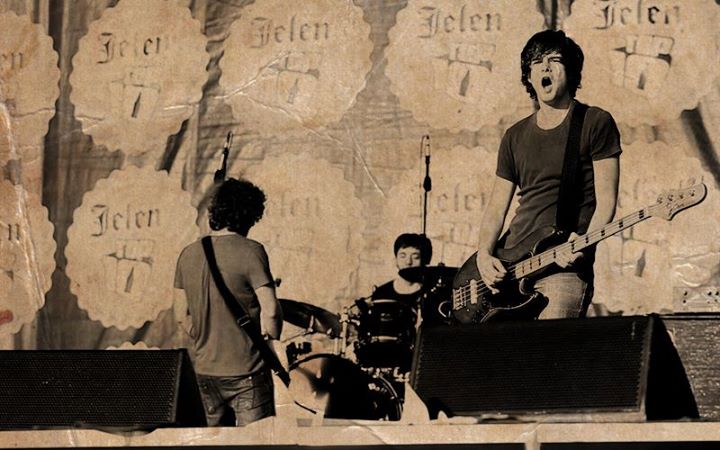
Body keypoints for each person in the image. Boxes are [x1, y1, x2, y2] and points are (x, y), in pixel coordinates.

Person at [475, 30, 621, 319]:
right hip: (511, 266)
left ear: (571, 71)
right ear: (528, 76)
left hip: (562, 267)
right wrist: (484, 255)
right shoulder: (514, 136)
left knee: (549, 346)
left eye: (555, 60)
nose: (545, 67)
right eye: (537, 62)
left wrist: (584, 243)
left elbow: (606, 202)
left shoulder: (595, 122)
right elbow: (496, 209)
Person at [173, 178, 283, 426]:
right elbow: (271, 312)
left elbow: (180, 314)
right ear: (250, 216)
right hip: (248, 373)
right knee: (255, 443)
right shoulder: (251, 250)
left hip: (205, 372)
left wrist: (206, 336)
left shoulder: (188, 254)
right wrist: (270, 341)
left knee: (213, 444)